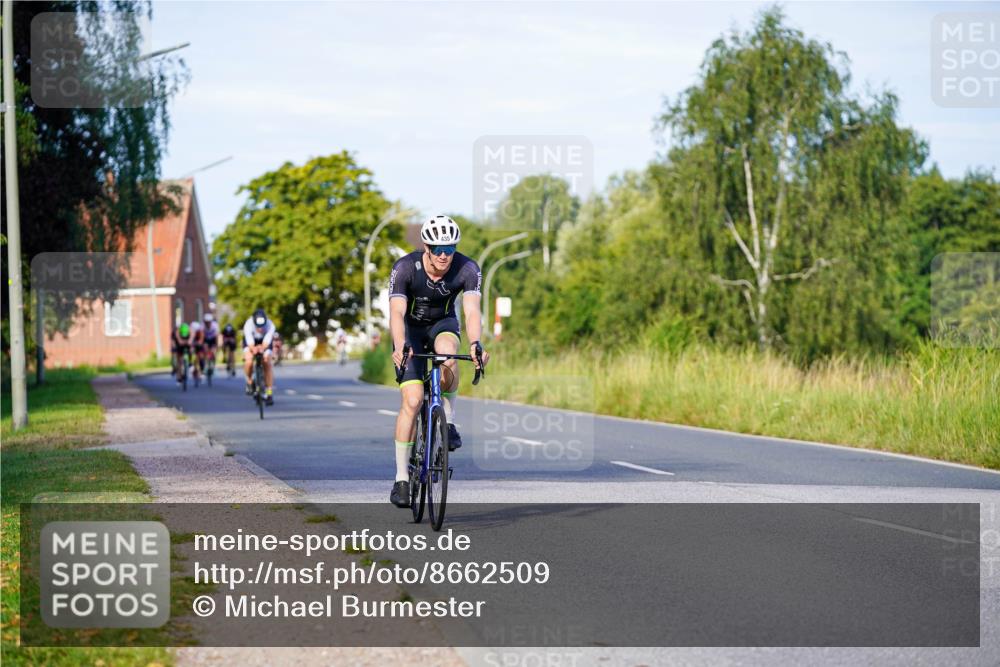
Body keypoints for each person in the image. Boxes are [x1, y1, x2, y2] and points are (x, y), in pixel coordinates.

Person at [387, 215, 489, 508]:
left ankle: (450, 421)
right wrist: (400, 345)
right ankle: (402, 478)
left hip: (443, 324)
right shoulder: (405, 267)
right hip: (410, 332)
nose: (445, 255)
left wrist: (474, 343)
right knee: (412, 400)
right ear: (427, 247)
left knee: (447, 355)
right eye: (439, 249)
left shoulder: (467, 267)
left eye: (450, 248)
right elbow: (396, 312)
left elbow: (471, 311)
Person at [243, 308, 276, 405]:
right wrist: (254, 349)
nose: (260, 329)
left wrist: (262, 348)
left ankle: (269, 392)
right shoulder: (248, 325)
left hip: (264, 343)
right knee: (249, 361)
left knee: (267, 362)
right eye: (258, 327)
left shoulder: (270, 325)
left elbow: (267, 341)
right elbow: (250, 343)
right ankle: (249, 382)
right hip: (251, 342)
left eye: (262, 327)